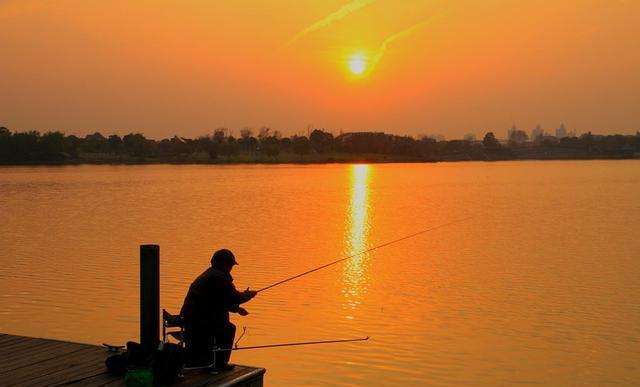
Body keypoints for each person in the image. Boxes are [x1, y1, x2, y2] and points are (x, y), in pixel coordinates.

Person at [180, 249, 257, 370]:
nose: (231, 268)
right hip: (201, 320)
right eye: (230, 265)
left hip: (193, 317)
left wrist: (236, 309)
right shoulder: (219, 277)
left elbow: (217, 300)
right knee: (228, 328)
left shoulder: (210, 274)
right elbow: (234, 297)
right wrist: (248, 296)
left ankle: (212, 360)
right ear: (224, 264)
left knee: (224, 324)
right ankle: (220, 363)